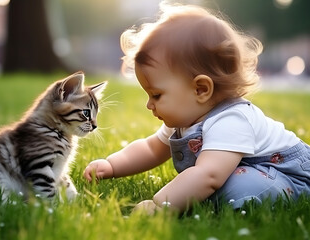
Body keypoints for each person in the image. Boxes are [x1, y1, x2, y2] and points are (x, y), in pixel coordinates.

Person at [83, 2, 310, 214]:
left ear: (201, 89)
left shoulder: (231, 120)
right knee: (221, 185)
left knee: (239, 186)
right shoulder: (185, 118)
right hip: (247, 171)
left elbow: (208, 175)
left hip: (288, 174)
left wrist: (160, 205)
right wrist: (112, 165)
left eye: (156, 94)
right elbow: (151, 149)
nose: (149, 104)